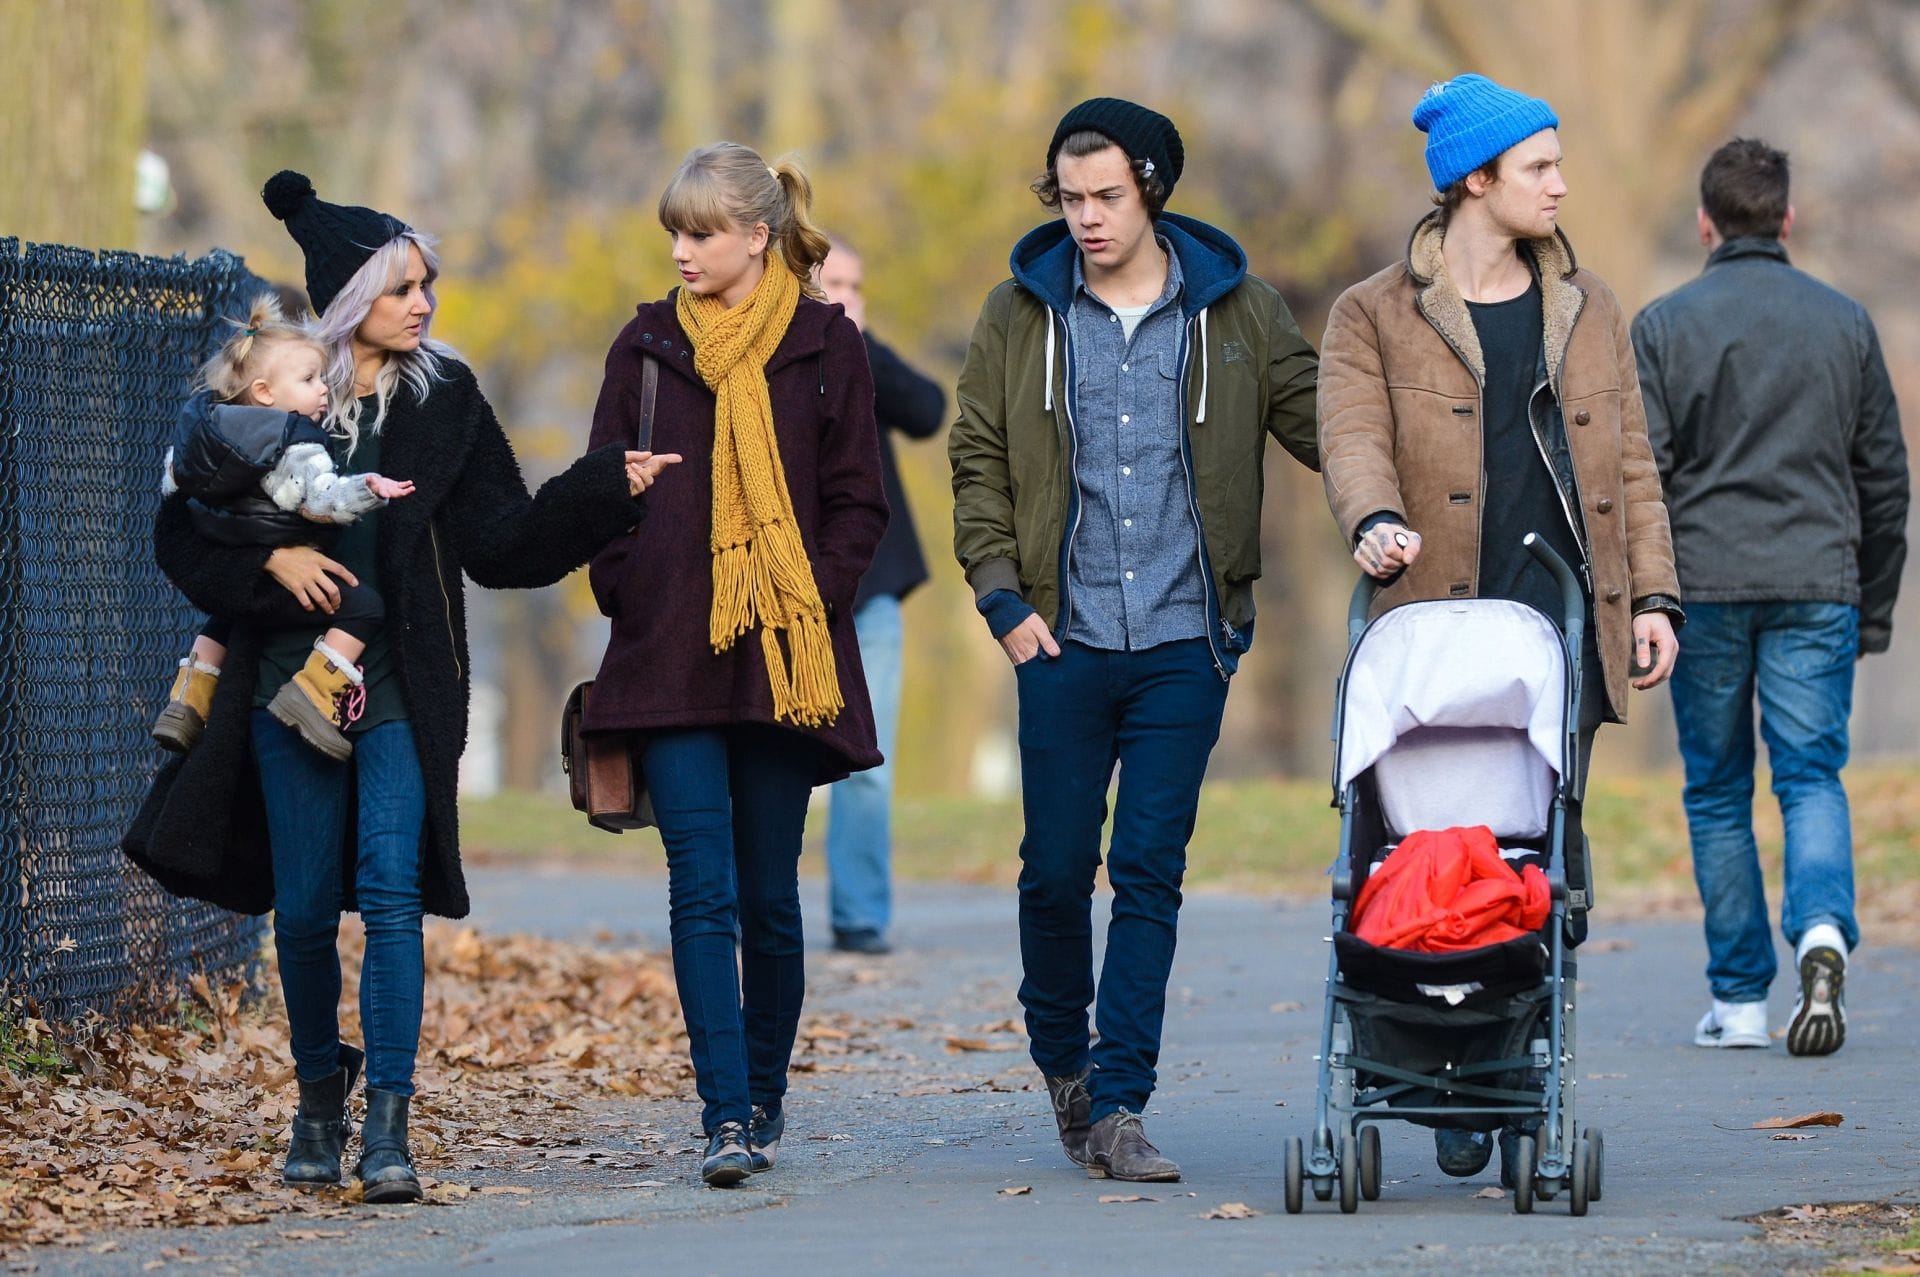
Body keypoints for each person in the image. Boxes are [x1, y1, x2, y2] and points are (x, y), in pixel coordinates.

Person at [124, 170, 673, 1202]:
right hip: (283, 688)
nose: (423, 302)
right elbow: (178, 532)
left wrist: (602, 485)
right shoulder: (275, 396)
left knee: (388, 893)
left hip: (404, 690)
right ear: (349, 299)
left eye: (428, 283)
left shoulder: (448, 399)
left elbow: (503, 544)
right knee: (299, 912)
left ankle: (389, 1130)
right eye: (402, 287)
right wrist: (269, 569)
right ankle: (320, 1101)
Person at [1316, 73, 1683, 1183]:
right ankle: (1431, 1061)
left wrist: (1655, 596)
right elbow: (1352, 431)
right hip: (1430, 633)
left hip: (1558, 628)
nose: (1561, 184)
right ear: (1476, 180)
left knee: (1545, 867)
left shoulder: (1591, 309)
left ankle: (1519, 1067)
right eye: (1539, 167)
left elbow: (1630, 461)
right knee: (1413, 857)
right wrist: (1374, 519)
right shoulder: (1372, 312)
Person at [950, 98, 1319, 1182]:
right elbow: (977, 457)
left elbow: (1325, 421)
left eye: (1107, 195)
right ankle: (1064, 1061)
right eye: (1069, 198)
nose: (1087, 217)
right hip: (1058, 640)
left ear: (1151, 188)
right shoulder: (1020, 316)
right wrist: (1002, 600)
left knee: (1150, 870)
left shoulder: (1239, 313)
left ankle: (1120, 1100)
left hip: (1182, 642)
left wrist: (1406, 496)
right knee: (1057, 871)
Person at [580, 143, 886, 1187]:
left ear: (758, 235)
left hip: (780, 663)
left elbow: (860, 501)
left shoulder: (824, 343)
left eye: (701, 232)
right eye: (674, 231)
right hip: (669, 657)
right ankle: (721, 1114)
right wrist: (630, 580)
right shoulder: (646, 346)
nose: (681, 250)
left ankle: (762, 1090)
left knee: (767, 894)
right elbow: (599, 487)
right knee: (699, 887)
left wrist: (813, 595)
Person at [1632, 138, 1909, 1057]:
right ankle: (1823, 933)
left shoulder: (1665, 327)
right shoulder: (1845, 323)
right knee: (1810, 776)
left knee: (1716, 790)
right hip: (1815, 583)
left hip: (1703, 588)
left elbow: (1646, 479)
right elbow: (1885, 478)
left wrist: (1647, 600)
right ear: (1787, 220)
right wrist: (1872, 604)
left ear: (1707, 222)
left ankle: (1742, 1000)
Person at [151, 292, 416, 761]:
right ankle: (312, 697)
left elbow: (175, 483)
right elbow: (320, 501)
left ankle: (186, 700)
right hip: (281, 574)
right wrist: (368, 489)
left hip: (234, 566)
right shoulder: (294, 444)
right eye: (309, 379)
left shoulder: (206, 431)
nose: (323, 390)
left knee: (226, 619)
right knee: (365, 608)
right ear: (265, 393)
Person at [816, 237, 946, 956]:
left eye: (855, 285)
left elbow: (929, 411)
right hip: (783, 593)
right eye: (831, 282)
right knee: (758, 756)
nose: (846, 295)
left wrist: (859, 343)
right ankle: (737, 908)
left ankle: (859, 913)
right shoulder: (766, 359)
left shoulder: (863, 356)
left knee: (868, 760)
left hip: (872, 592)